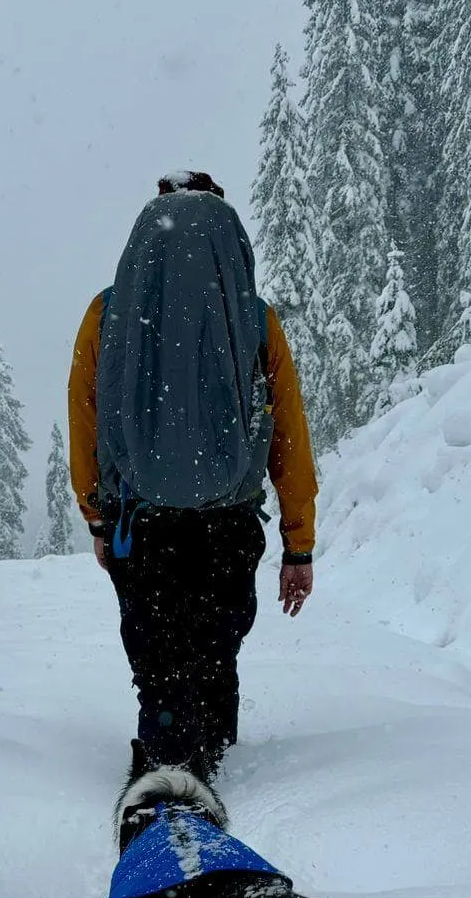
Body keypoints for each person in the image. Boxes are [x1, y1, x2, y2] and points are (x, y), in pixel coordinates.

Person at [68, 170, 318, 786]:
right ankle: (208, 750)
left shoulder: (107, 314)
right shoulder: (256, 320)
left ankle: (163, 755)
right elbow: (289, 436)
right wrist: (298, 543)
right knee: (216, 639)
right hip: (228, 519)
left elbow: (86, 417)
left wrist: (97, 516)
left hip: (139, 518)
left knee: (155, 643)